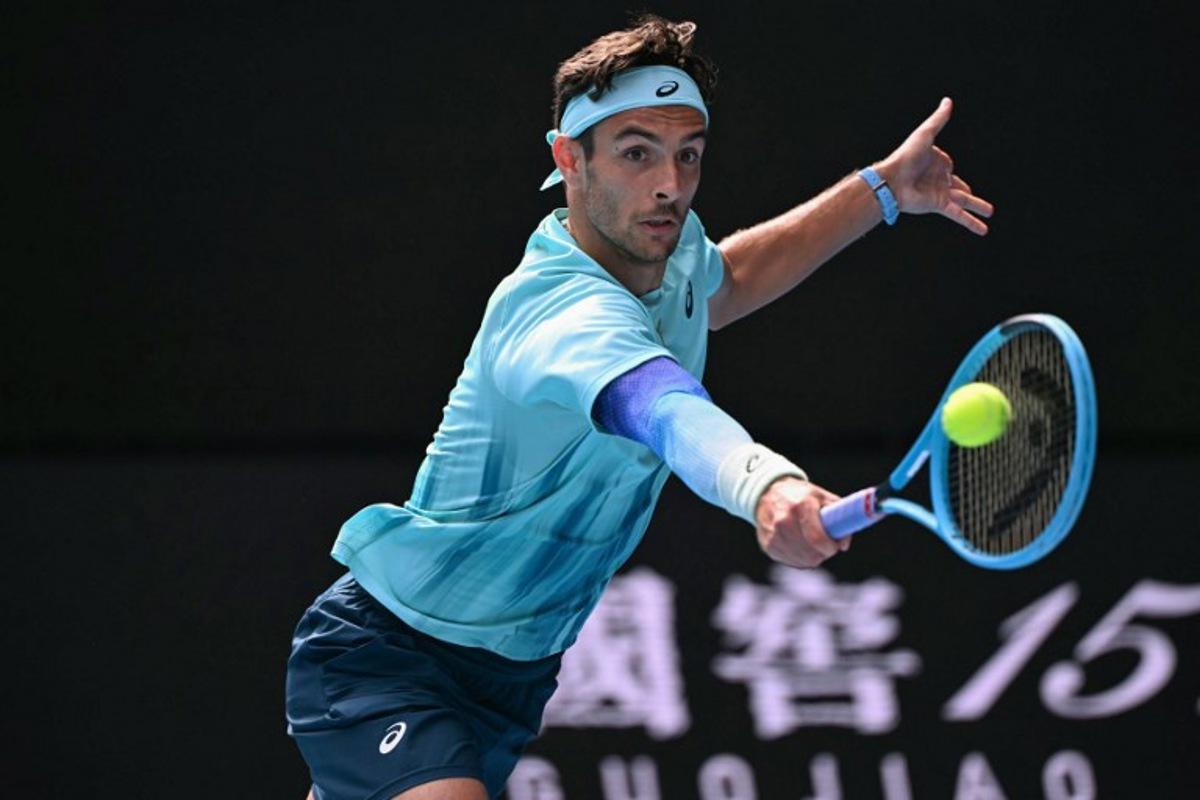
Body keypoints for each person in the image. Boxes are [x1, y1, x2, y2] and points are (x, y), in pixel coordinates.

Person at [285, 15, 993, 800]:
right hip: (392, 652)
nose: (670, 185)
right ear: (568, 158)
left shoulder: (670, 248)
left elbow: (729, 280)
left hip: (513, 676)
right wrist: (766, 485)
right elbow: (661, 407)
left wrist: (883, 191)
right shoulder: (558, 313)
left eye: (688, 156)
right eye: (635, 153)